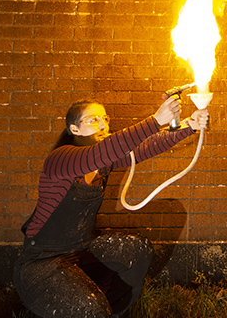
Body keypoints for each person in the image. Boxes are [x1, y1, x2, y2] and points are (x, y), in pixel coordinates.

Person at [14, 94, 209, 318]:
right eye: (93, 120)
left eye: (105, 119)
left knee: (137, 250)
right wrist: (155, 120)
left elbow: (142, 148)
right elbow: (102, 151)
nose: (103, 124)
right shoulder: (61, 158)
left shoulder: (103, 162)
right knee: (89, 308)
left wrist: (189, 125)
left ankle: (111, 313)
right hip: (42, 264)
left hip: (81, 252)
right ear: (74, 130)